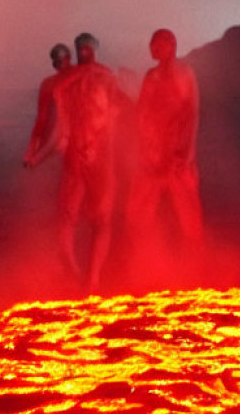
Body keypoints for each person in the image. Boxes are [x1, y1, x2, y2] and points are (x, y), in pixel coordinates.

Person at [28, 33, 127, 292]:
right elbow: (53, 125)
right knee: (67, 216)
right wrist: (34, 152)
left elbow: (119, 109)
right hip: (76, 155)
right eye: (79, 48)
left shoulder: (102, 77)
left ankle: (92, 278)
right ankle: (75, 271)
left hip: (100, 154)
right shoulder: (62, 84)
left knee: (101, 218)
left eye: (87, 47)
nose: (83, 51)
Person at [127, 29, 203, 246]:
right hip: (152, 153)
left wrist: (187, 152)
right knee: (139, 210)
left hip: (177, 155)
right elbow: (141, 113)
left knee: (188, 211)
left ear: (171, 45)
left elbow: (192, 112)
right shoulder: (151, 76)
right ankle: (140, 259)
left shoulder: (185, 74)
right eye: (152, 44)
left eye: (157, 44)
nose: (152, 48)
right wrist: (144, 150)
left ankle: (195, 263)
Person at [23, 43, 73, 166]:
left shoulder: (50, 84)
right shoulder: (50, 84)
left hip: (65, 141)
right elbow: (42, 118)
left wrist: (32, 152)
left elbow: (42, 119)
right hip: (70, 141)